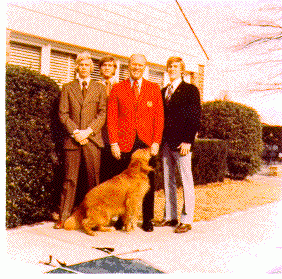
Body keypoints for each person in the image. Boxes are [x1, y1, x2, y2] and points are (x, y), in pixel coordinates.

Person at [107, 54, 164, 232]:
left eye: (140, 65)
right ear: (128, 66)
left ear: (144, 67)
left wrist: (156, 142)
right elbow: (112, 117)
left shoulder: (153, 88)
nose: (136, 67)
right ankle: (120, 218)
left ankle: (147, 219)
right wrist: (113, 142)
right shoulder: (118, 88)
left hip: (146, 143)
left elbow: (159, 118)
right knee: (123, 184)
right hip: (124, 143)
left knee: (147, 183)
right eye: (133, 64)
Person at [54, 51, 107, 229]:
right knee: (70, 179)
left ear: (91, 68)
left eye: (87, 65)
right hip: (73, 140)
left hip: (92, 139)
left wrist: (88, 132)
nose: (84, 68)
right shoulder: (68, 87)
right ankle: (64, 216)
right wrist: (76, 132)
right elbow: (63, 113)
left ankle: (95, 219)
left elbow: (102, 113)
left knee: (94, 180)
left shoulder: (99, 88)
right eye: (81, 64)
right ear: (77, 67)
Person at [158, 56, 202, 233]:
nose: (172, 69)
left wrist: (188, 140)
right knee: (168, 179)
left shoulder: (190, 90)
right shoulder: (163, 91)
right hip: (166, 143)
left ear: (181, 70)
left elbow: (195, 116)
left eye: (175, 67)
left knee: (186, 180)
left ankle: (186, 219)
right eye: (169, 67)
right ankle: (170, 216)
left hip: (182, 142)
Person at [98, 55, 119, 183]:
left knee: (115, 171)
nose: (107, 68)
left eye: (110, 65)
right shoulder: (94, 86)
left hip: (116, 135)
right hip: (100, 134)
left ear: (114, 69)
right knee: (101, 171)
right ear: (100, 68)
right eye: (104, 65)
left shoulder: (121, 86)